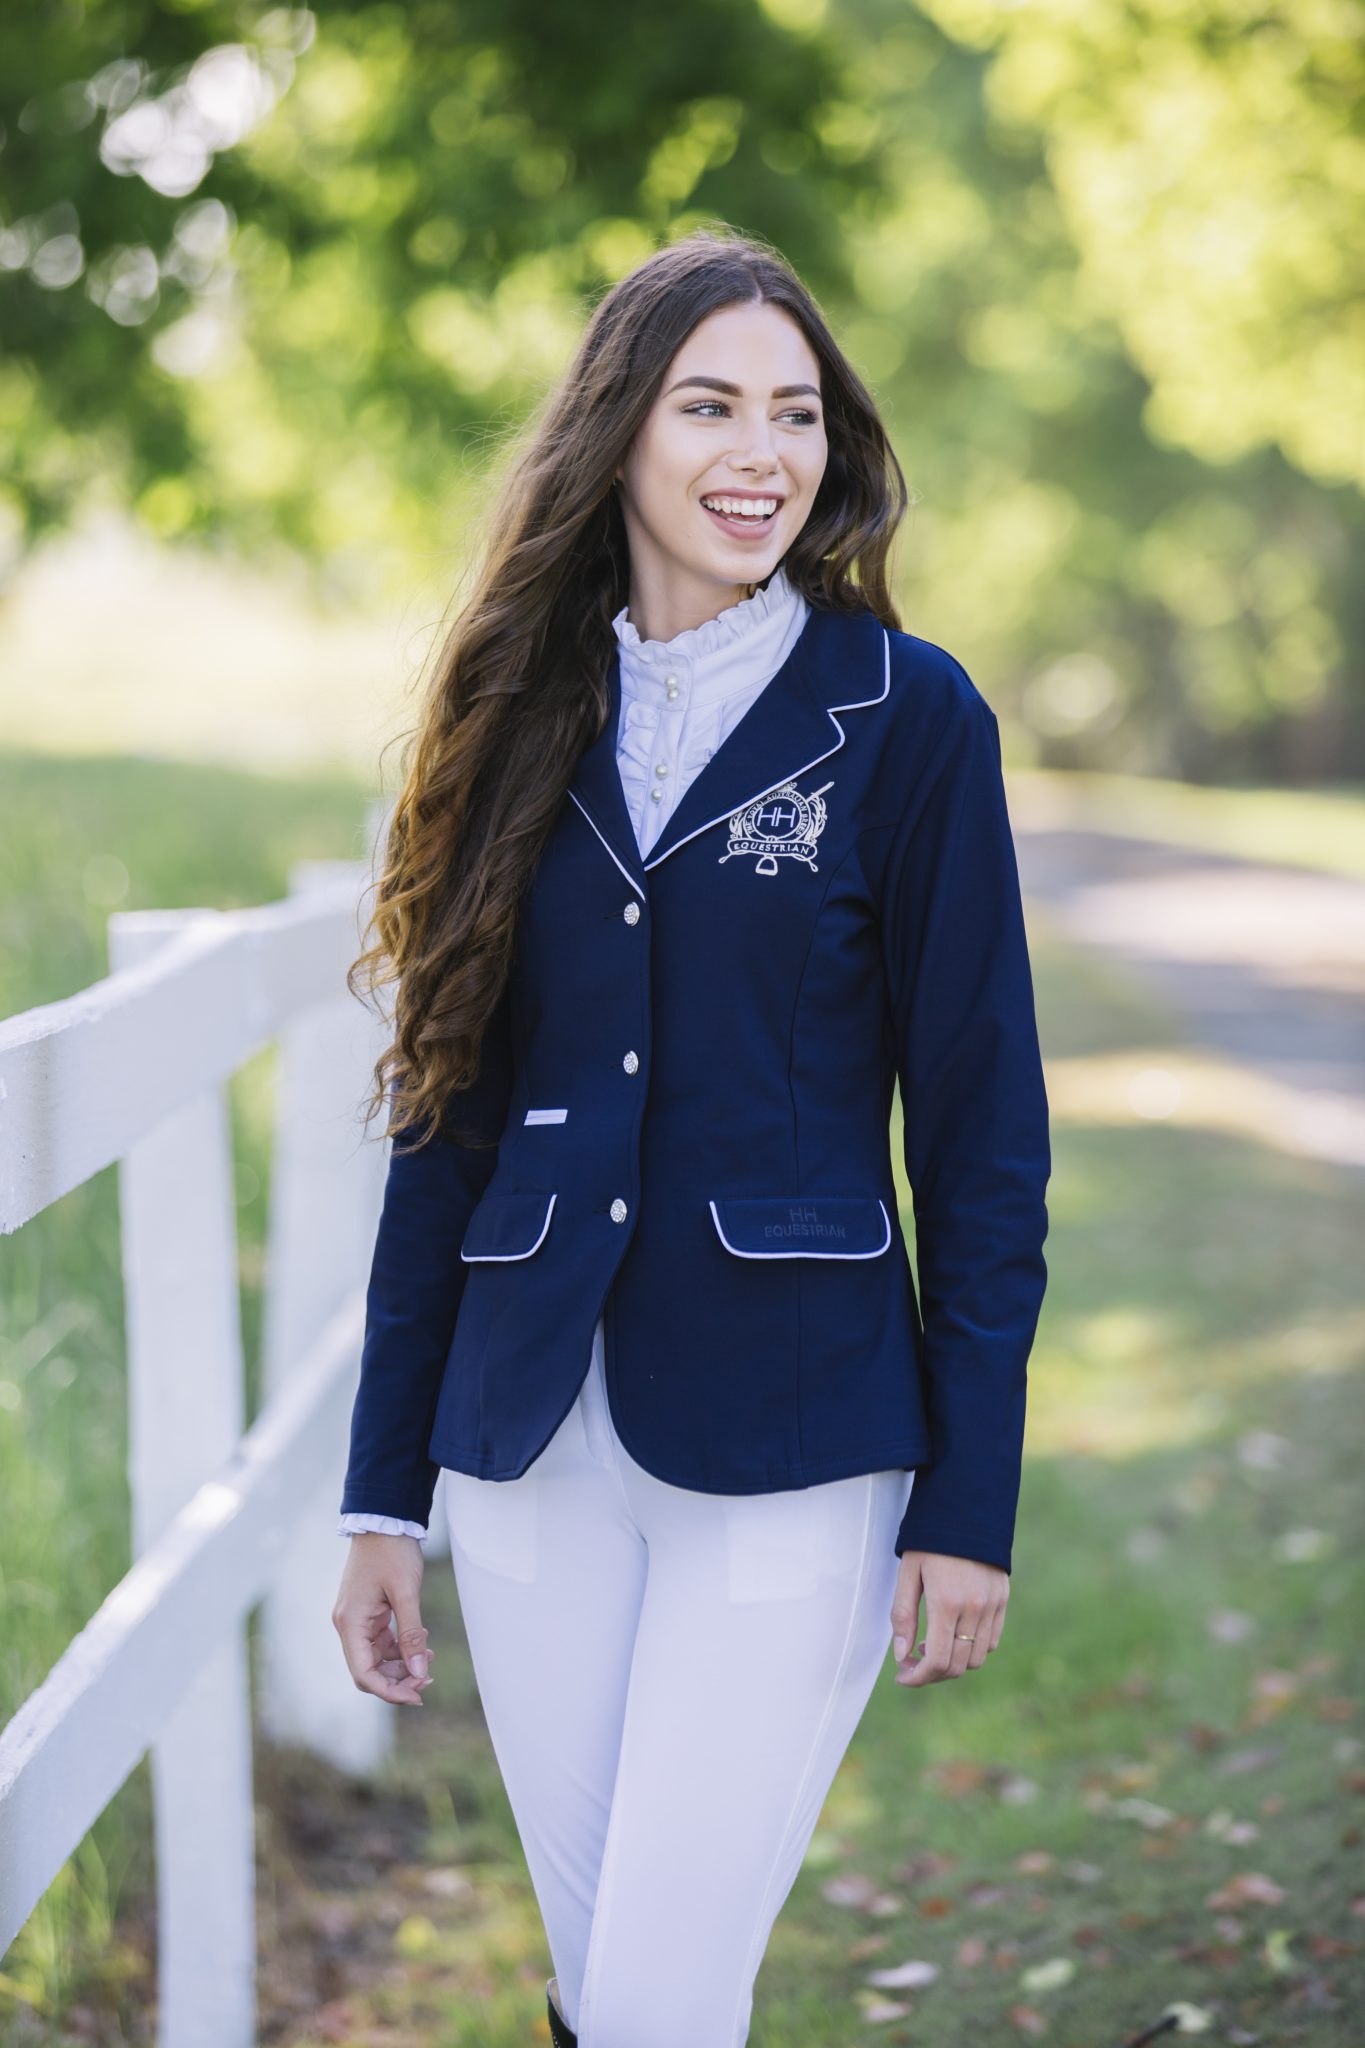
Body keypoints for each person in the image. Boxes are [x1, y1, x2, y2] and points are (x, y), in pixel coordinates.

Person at [331, 225, 1051, 2048]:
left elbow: (981, 1139)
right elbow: (443, 1117)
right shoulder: (512, 720)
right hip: (526, 1457)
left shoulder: (907, 721)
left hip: (796, 1443)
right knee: (608, 1992)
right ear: (619, 437)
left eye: (795, 414)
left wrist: (968, 1503)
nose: (760, 453)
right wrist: (380, 1496)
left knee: (655, 1992)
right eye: (708, 405)